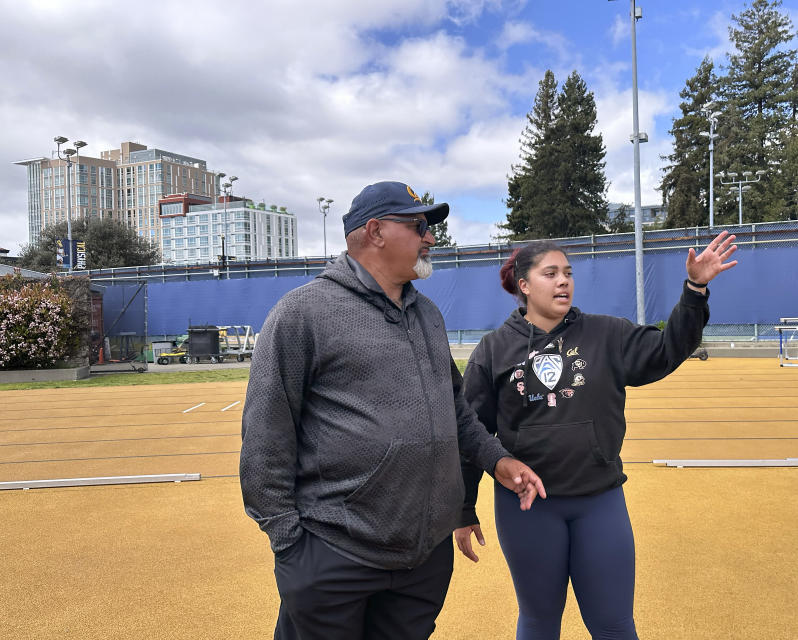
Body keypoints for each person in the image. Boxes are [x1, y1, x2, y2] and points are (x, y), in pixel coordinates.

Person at [239, 181, 546, 640]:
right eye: (419, 225)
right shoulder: (303, 314)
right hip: (333, 557)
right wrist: (292, 548)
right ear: (376, 231)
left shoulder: (427, 315)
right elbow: (265, 437)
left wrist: (496, 460)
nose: (431, 238)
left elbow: (456, 410)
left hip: (422, 560)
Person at [454, 232, 738, 639]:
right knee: (538, 621)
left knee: (614, 624)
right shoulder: (494, 351)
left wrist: (695, 289)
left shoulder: (607, 336)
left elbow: (668, 349)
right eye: (550, 273)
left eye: (568, 273)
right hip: (528, 509)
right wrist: (464, 509)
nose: (563, 281)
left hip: (599, 502)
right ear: (524, 285)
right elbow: (472, 433)